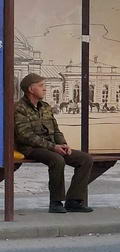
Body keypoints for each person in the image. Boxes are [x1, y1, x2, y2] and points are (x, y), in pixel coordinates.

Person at [14, 73, 96, 214]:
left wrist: (63, 144)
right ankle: (56, 202)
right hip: (30, 148)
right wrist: (53, 147)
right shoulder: (19, 108)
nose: (45, 89)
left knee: (85, 159)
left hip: (52, 146)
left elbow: (56, 130)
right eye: (41, 86)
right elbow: (25, 136)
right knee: (57, 160)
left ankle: (74, 201)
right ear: (30, 89)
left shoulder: (45, 107)